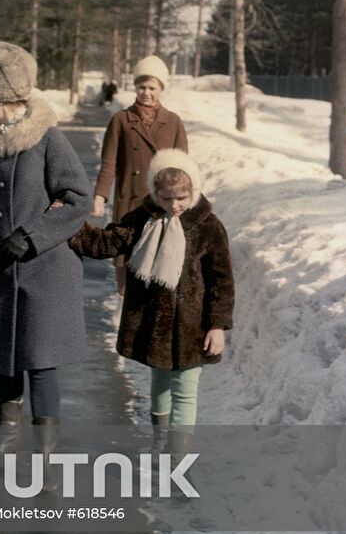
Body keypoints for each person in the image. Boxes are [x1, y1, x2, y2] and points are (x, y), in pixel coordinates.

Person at [0, 41, 91, 483]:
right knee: (4, 358)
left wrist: (33, 235)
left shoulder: (48, 139)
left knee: (40, 360)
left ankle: (47, 454)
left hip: (44, 272)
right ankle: (5, 441)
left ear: (4, 98)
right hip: (0, 271)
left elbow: (77, 198)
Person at [70, 148, 234, 456]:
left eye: (182, 198)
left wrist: (217, 325)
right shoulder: (141, 219)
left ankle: (179, 456)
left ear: (194, 192)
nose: (174, 206)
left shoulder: (208, 225)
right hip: (154, 320)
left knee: (185, 389)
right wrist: (69, 223)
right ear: (154, 193)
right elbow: (106, 243)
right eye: (167, 198)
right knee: (160, 380)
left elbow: (222, 280)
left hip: (192, 325)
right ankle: (161, 442)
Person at [92, 55, 188, 296]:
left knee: (159, 270)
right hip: (129, 204)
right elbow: (109, 162)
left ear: (161, 89)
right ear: (135, 87)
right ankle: (125, 321)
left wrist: (185, 202)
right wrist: (100, 196)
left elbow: (184, 168)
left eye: (152, 88)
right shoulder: (121, 120)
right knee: (129, 272)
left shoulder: (174, 122)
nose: (146, 93)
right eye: (141, 87)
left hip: (162, 205)